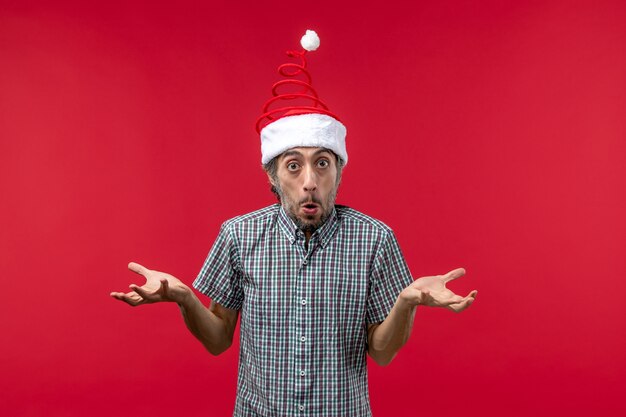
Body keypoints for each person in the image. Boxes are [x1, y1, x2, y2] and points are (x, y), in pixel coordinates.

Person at [111, 30, 477, 417]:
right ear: (272, 176)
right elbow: (218, 340)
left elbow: (382, 353)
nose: (309, 181)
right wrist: (184, 298)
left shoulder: (375, 239)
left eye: (323, 163)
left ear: (339, 171)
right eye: (293, 165)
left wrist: (407, 303)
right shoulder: (239, 235)